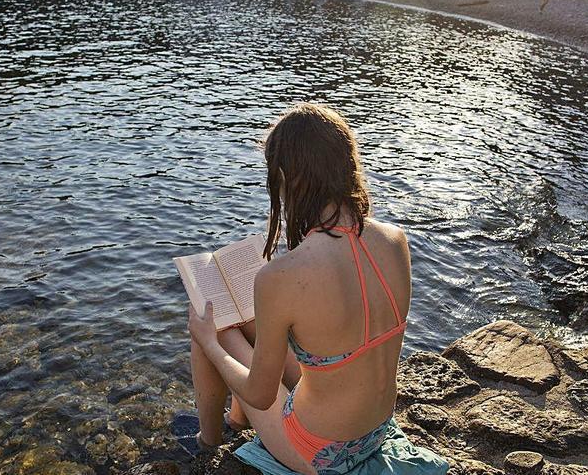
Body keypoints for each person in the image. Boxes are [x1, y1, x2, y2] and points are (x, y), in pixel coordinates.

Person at [187, 103, 448, 474]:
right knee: (243, 329)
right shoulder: (394, 239)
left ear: (287, 179)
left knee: (212, 326)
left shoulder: (284, 274)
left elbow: (261, 394)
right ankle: (235, 422)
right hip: (375, 430)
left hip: (320, 452)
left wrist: (211, 342)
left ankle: (207, 443)